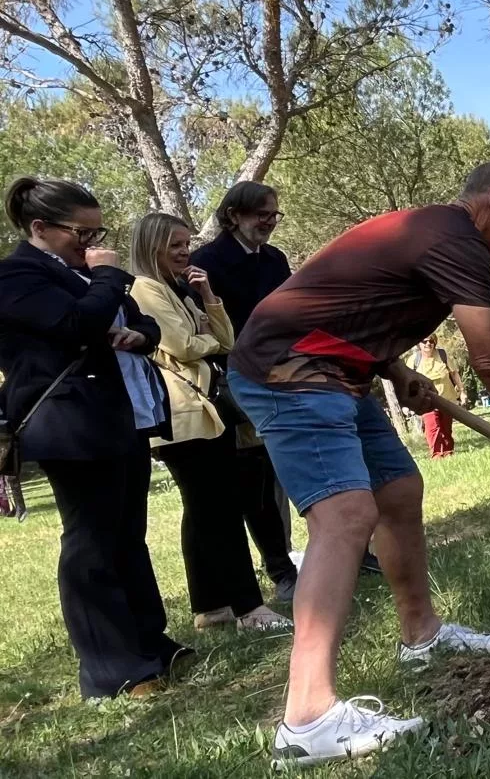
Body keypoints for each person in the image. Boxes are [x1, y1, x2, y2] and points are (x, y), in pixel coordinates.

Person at [226, 160, 490, 767]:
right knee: (344, 515)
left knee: (397, 488)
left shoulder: (434, 233)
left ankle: (422, 635)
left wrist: (394, 368)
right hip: (290, 368)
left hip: (340, 365)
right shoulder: (457, 241)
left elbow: (351, 302)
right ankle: (307, 717)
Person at [0, 177, 192, 699]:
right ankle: (112, 669)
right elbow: (75, 325)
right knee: (90, 543)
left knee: (128, 534)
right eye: (80, 233)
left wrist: (141, 334)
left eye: (96, 231)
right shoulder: (16, 275)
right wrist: (107, 274)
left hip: (119, 415)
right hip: (68, 424)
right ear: (39, 228)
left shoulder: (83, 273)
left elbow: (141, 322)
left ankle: (150, 643)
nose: (90, 242)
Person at [128, 213, 292, 632]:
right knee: (220, 510)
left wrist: (209, 296)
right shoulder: (146, 290)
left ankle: (210, 606)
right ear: (152, 247)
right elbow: (182, 345)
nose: (185, 252)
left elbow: (228, 339)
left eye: (186, 243)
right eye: (175, 245)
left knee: (202, 511)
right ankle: (249, 608)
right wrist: (207, 340)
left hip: (201, 411)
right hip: (184, 414)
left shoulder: (178, 290)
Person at [188, 182, 301, 600]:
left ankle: (347, 551)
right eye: (261, 215)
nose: (269, 223)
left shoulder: (275, 259)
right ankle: (281, 570)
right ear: (234, 215)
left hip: (287, 374)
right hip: (237, 383)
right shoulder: (205, 262)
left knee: (303, 467)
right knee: (256, 483)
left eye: (275, 215)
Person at [411, 335, 468, 458]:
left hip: (446, 398)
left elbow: (454, 374)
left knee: (446, 428)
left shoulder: (442, 355)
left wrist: (462, 391)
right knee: (432, 427)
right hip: (426, 401)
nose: (428, 344)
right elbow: (407, 381)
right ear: (418, 344)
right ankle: (436, 455)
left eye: (431, 341)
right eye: (424, 341)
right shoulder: (413, 360)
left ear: (435, 342)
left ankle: (448, 452)